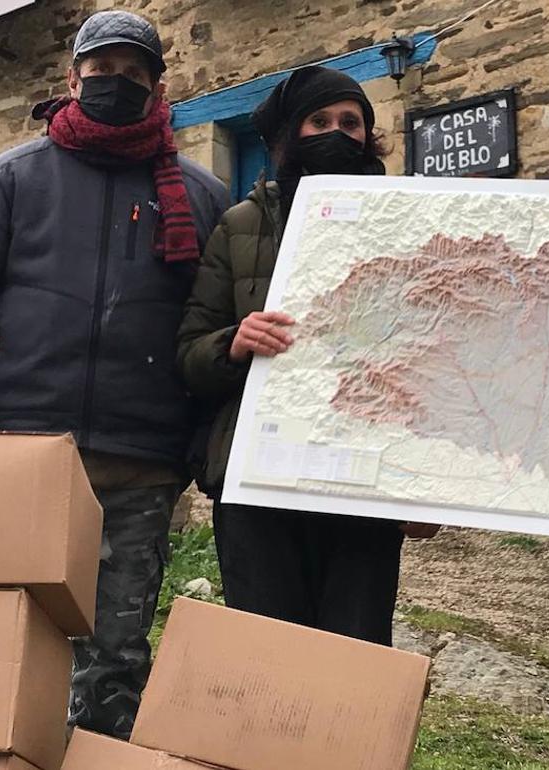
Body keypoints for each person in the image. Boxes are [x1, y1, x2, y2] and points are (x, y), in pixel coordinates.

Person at [0, 11, 229, 740]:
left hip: (141, 469)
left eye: (132, 74)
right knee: (4, 640)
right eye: (102, 70)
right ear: (73, 76)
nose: (115, 83)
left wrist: (192, 444)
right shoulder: (13, 178)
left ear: (157, 85)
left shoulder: (201, 197)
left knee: (114, 656)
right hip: (21, 458)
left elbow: (209, 333)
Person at [176, 66, 439, 646]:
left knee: (355, 651)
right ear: (287, 135)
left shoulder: (408, 223)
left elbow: (438, 356)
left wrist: (429, 480)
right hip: (259, 485)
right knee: (268, 656)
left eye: (351, 123)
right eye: (318, 121)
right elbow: (189, 355)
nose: (336, 133)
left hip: (362, 482)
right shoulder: (239, 227)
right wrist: (234, 343)